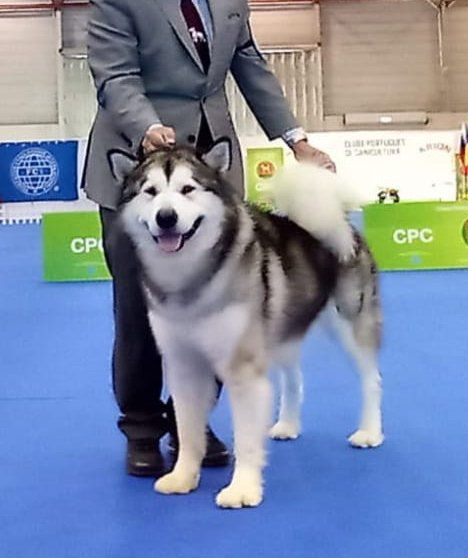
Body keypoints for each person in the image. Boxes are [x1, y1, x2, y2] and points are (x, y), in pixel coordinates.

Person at [82, 0, 336, 476]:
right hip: (139, 174)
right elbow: (115, 77)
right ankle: (141, 428)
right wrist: (147, 127)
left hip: (210, 181)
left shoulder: (230, 3)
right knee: (138, 310)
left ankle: (191, 423)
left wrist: (296, 140)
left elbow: (250, 65)